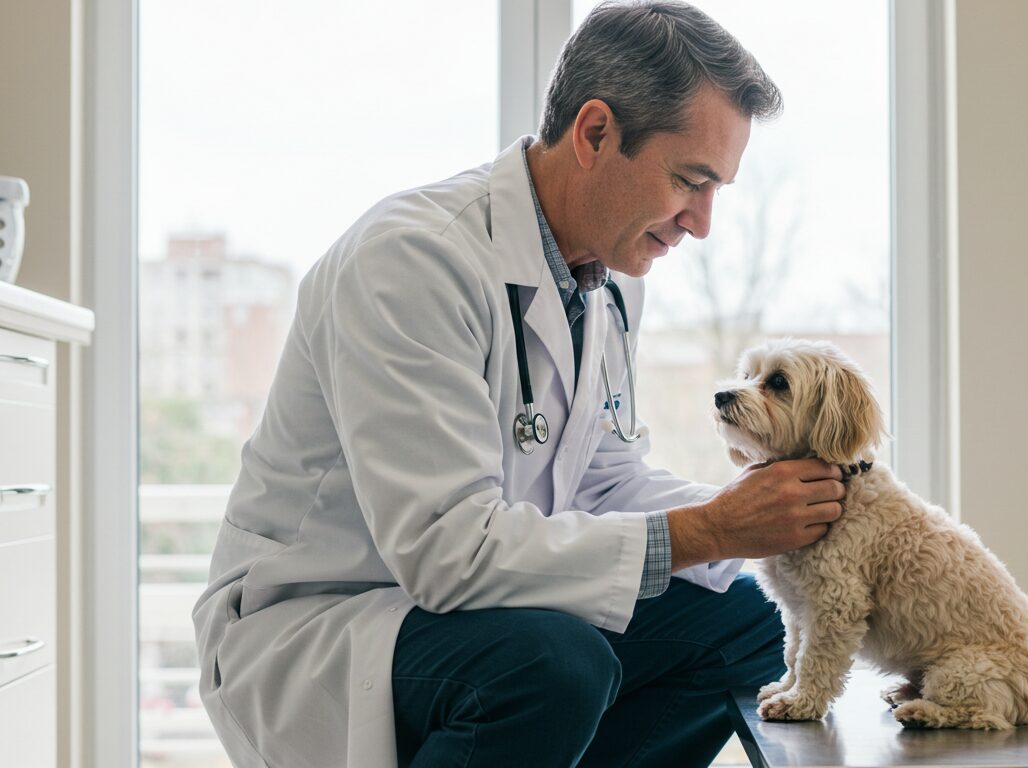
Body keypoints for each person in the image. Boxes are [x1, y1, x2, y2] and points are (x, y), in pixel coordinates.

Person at [192, 2, 847, 766]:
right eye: (688, 181)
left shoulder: (609, 279)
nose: (700, 223)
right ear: (595, 133)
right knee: (554, 664)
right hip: (323, 623)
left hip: (482, 610)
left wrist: (787, 517)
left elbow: (604, 479)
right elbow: (446, 553)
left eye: (715, 192)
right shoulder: (411, 262)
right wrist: (715, 529)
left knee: (748, 619)